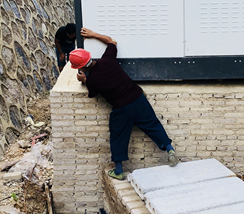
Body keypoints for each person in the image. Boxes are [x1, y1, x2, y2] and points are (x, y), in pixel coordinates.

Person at [69, 28, 179, 180]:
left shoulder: (92, 80)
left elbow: (92, 93)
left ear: (80, 67)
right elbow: (112, 42)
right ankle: (170, 150)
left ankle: (119, 171)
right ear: (90, 56)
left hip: (122, 108)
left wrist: (84, 80)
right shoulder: (108, 60)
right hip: (138, 98)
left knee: (118, 136)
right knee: (153, 125)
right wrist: (93, 34)